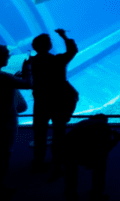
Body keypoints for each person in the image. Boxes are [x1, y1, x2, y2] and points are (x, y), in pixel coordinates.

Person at [0, 44, 32, 194]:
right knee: (5, 153)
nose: (8, 57)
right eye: (6, 54)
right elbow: (28, 84)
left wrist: (13, 79)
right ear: (0, 58)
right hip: (7, 119)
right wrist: (28, 69)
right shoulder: (3, 77)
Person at [27, 29, 78, 174]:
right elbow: (73, 50)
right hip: (58, 101)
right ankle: (58, 160)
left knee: (39, 132)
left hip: (41, 102)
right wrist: (64, 36)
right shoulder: (57, 60)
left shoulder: (31, 63)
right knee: (59, 132)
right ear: (49, 46)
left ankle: (38, 160)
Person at [63, 114, 120, 201]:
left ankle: (70, 194)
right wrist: (116, 140)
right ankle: (96, 195)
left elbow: (67, 139)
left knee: (71, 172)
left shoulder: (81, 122)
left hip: (70, 153)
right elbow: (105, 149)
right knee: (100, 167)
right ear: (105, 120)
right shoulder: (104, 125)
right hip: (90, 154)